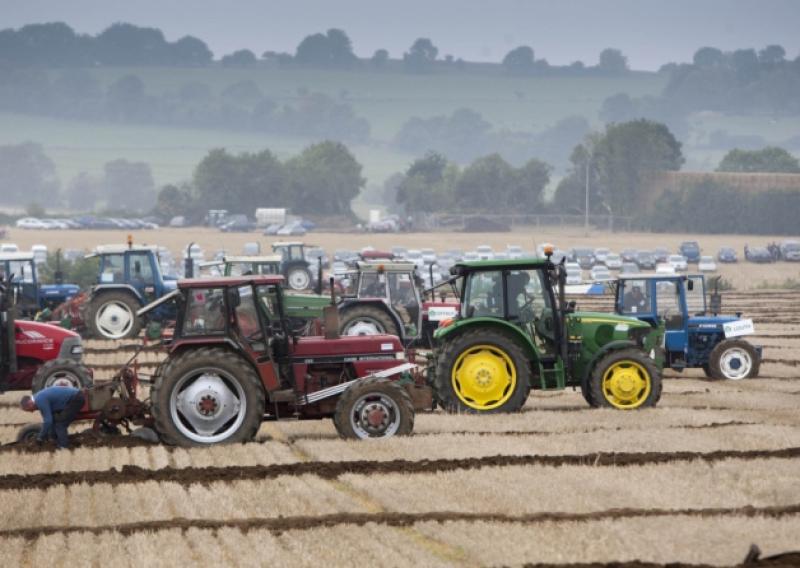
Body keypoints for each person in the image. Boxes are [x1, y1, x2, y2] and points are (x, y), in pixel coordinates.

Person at [20, 386, 85, 449]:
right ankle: (56, 441)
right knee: (55, 419)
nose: (31, 411)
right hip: (75, 397)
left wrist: (40, 437)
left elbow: (48, 421)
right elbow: (49, 420)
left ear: (30, 403)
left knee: (60, 423)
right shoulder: (38, 398)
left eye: (29, 410)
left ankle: (63, 446)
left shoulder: (40, 400)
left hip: (76, 399)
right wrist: (50, 437)